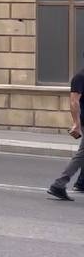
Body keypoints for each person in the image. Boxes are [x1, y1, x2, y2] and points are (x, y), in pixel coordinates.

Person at [47, 61, 84, 200]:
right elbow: (74, 102)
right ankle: (59, 184)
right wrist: (76, 123)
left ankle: (77, 183)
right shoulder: (79, 77)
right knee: (82, 154)